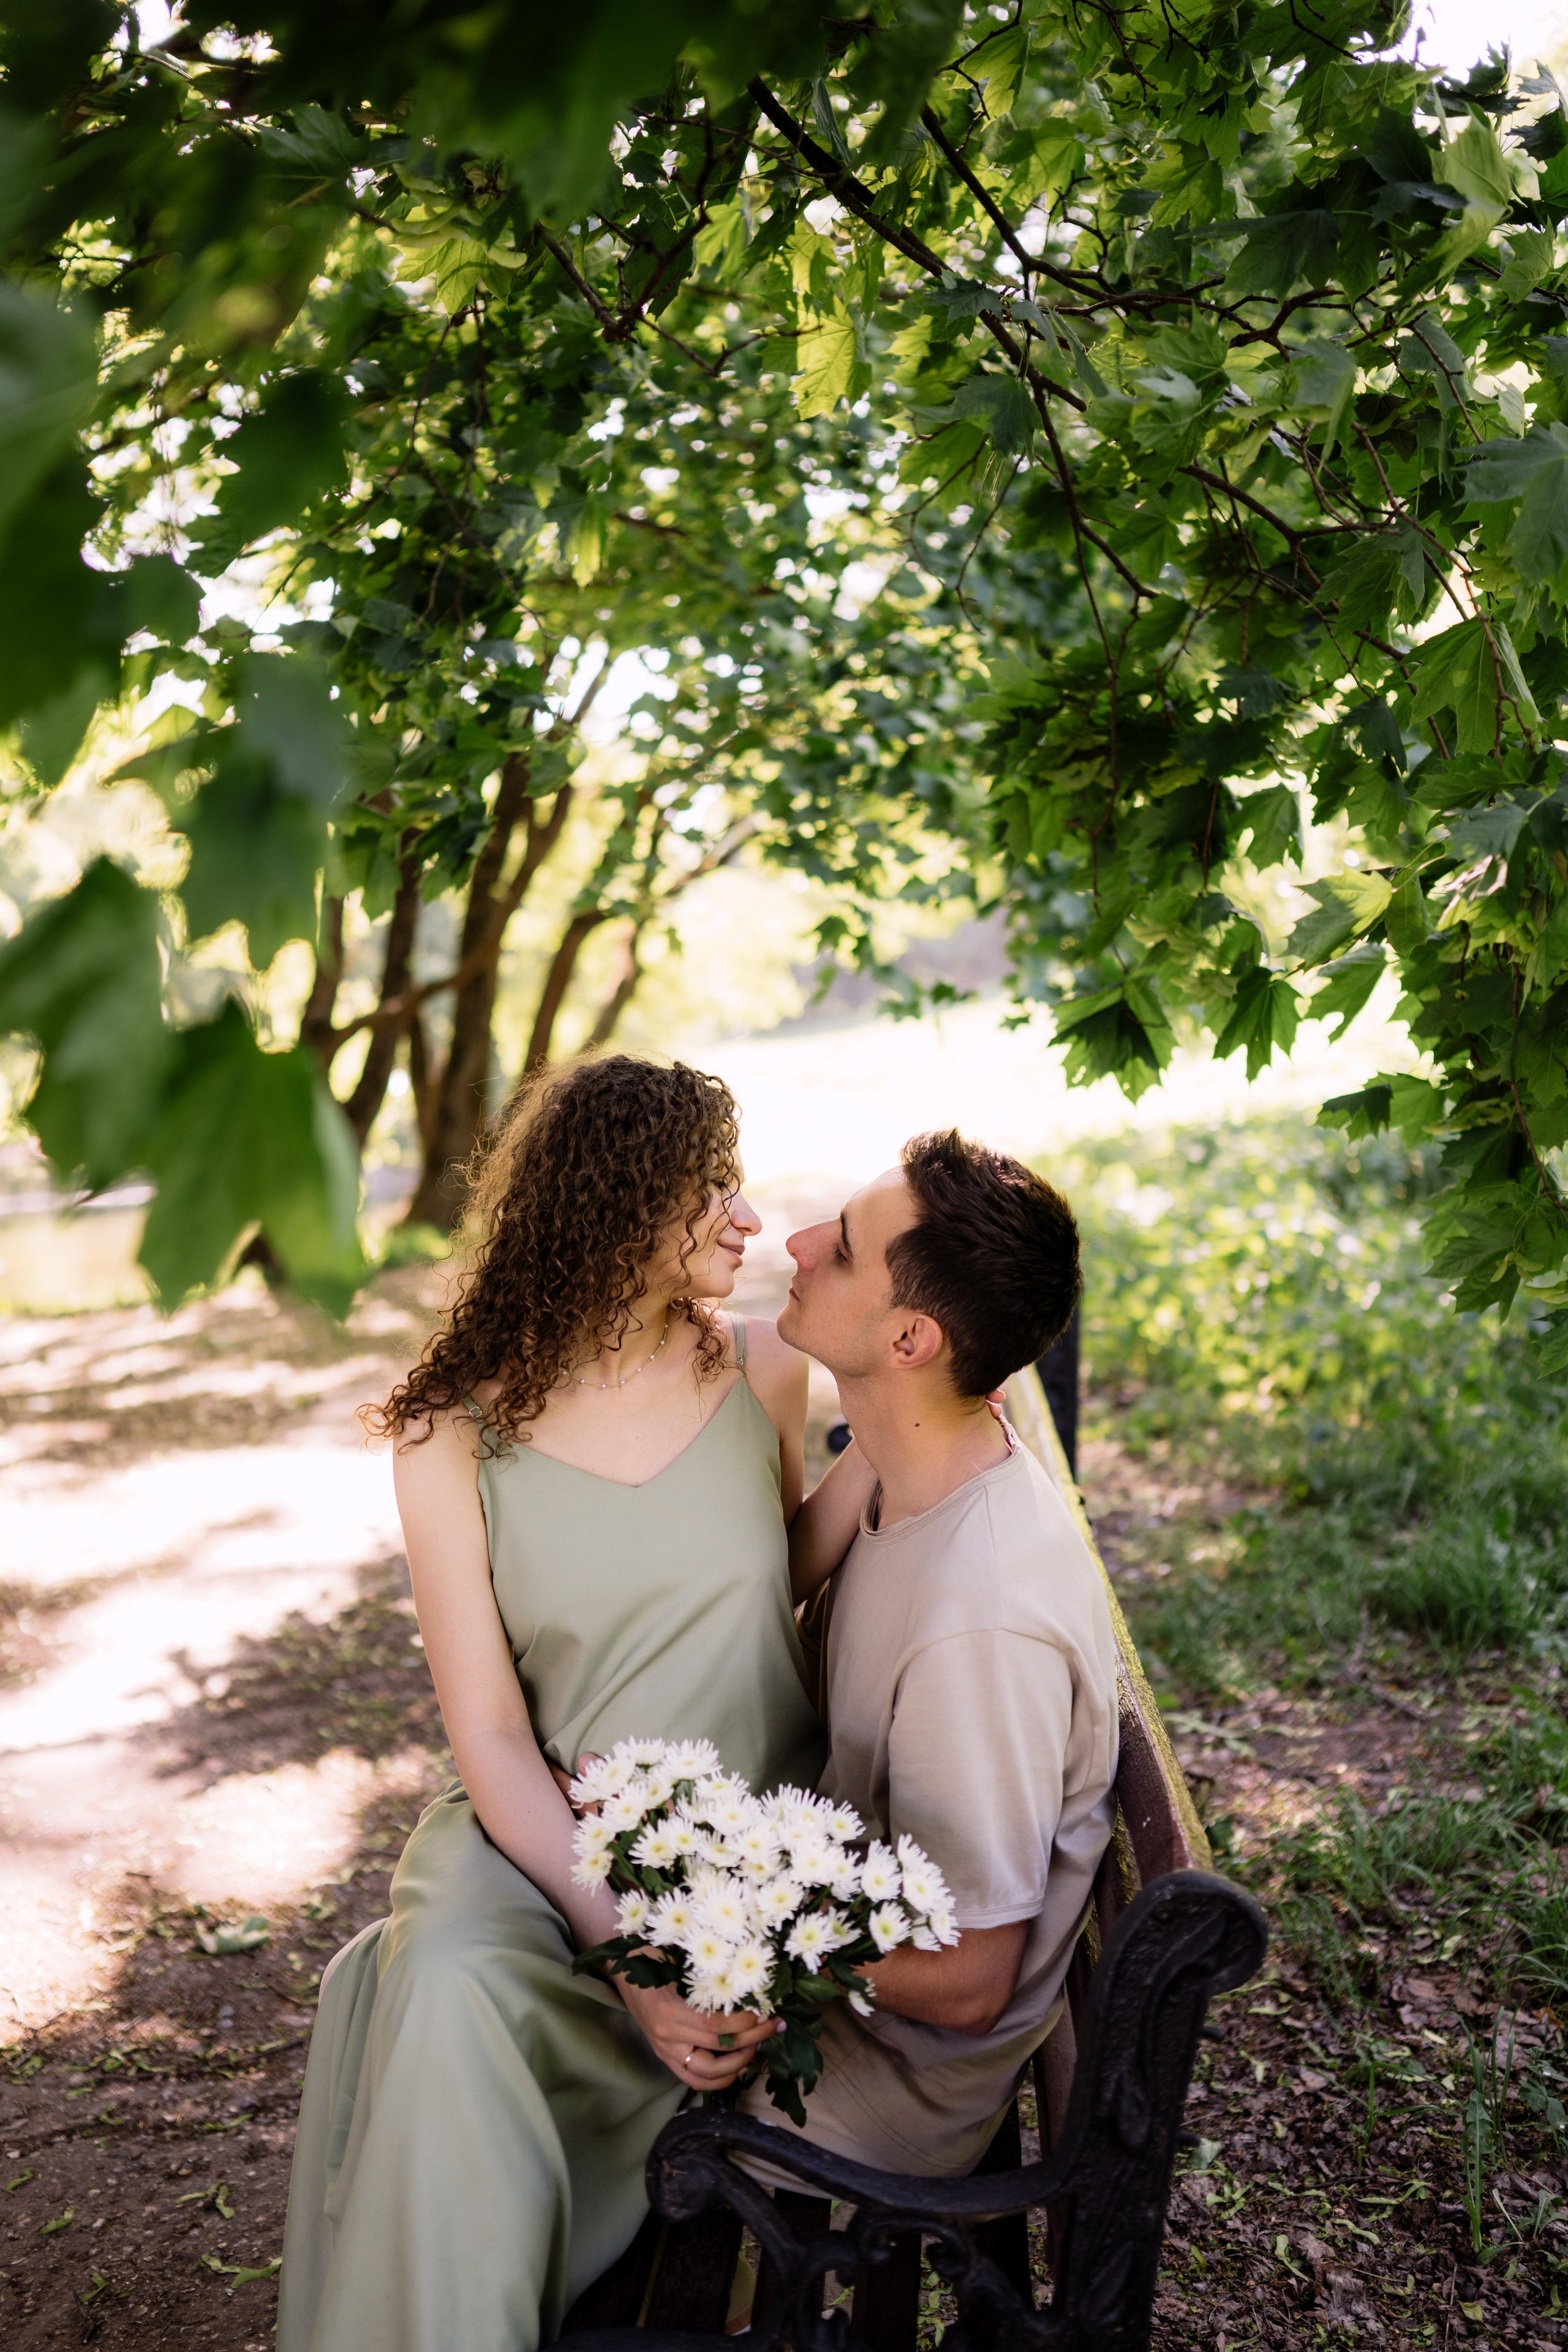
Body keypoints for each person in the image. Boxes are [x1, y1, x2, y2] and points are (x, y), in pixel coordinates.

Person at [278, 1055, 824, 2352]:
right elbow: (490, 1737)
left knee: (455, 2007)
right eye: (709, 1190)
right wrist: (626, 1950)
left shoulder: (762, 1374)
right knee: (453, 1981)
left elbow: (782, 1578)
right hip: (538, 1846)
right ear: (619, 1207)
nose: (743, 1218)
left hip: (730, 1852)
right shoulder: (449, 1435)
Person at [742, 1128, 1120, 2180]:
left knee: (520, 2040)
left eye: (846, 1249)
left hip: (882, 2084)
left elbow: (968, 1979)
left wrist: (735, 1922)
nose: (800, 1241)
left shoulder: (979, 1621)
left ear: (911, 1340)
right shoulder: (914, 1449)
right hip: (841, 1993)